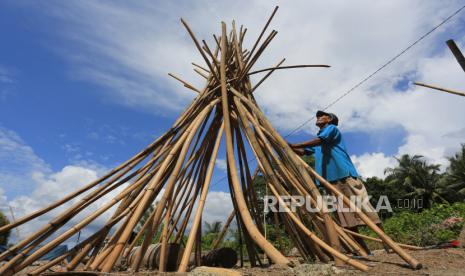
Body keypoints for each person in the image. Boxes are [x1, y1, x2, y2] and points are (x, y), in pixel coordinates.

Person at [288, 110, 383, 255]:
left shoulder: (331, 129)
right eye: (318, 116)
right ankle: (364, 251)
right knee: (346, 218)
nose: (319, 117)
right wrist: (287, 146)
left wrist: (295, 144)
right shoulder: (318, 141)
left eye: (322, 116)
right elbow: (302, 151)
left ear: (330, 119)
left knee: (364, 209)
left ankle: (388, 243)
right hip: (329, 182)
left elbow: (319, 140)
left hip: (344, 176)